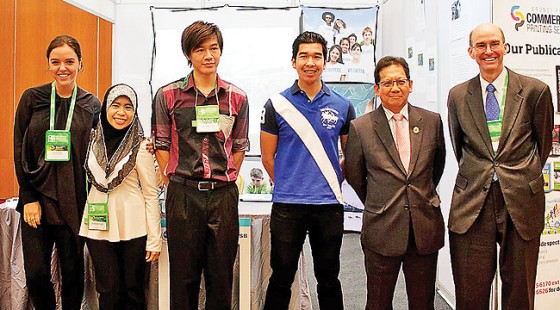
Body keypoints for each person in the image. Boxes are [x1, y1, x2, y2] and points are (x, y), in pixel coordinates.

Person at [447, 23, 553, 310]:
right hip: (472, 204)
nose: (488, 51)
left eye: (494, 43)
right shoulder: (458, 96)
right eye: (481, 46)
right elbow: (460, 148)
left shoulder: (536, 91)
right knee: (470, 292)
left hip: (521, 200)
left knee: (519, 292)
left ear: (505, 47)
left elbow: (540, 147)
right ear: (471, 52)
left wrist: (514, 173)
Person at [151, 21, 249, 309]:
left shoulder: (237, 97)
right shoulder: (168, 95)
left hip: (223, 195)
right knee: (183, 278)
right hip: (182, 194)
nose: (209, 56)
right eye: (201, 49)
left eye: (214, 48)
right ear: (188, 54)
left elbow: (239, 147)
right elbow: (161, 145)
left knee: (221, 278)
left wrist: (223, 178)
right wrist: (178, 182)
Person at [261, 31, 356, 310]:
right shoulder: (276, 105)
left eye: (317, 56)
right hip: (287, 206)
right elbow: (268, 158)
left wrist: (328, 181)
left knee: (328, 279)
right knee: (280, 278)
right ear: (293, 61)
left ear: (326, 62)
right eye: (304, 56)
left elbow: (349, 157)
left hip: (328, 206)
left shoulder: (342, 105)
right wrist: (291, 183)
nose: (310, 62)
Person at [345, 56, 446, 309]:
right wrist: (380, 200)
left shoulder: (432, 121)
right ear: (377, 89)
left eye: (400, 81)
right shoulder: (361, 127)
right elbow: (355, 176)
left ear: (410, 84)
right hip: (382, 227)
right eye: (387, 83)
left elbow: (436, 168)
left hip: (423, 228)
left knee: (423, 303)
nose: (395, 88)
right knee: (378, 302)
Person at [13, 34, 101, 310]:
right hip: (37, 201)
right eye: (56, 62)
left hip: (75, 201)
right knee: (37, 274)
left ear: (80, 64)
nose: (63, 67)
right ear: (48, 65)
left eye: (69, 61)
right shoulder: (32, 98)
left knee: (73, 276)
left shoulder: (91, 104)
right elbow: (19, 149)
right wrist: (28, 197)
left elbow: (100, 153)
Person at [79, 84, 161, 309]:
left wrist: (154, 239)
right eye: (115, 105)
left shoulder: (142, 146)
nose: (121, 112)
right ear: (105, 108)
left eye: (128, 107)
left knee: (133, 291)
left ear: (135, 112)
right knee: (108, 290)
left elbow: (151, 195)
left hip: (132, 227)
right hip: (97, 226)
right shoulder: (91, 141)